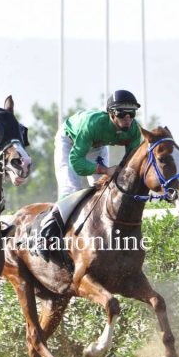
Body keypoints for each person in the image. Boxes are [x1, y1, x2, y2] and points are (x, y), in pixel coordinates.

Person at [36, 90, 143, 259]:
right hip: (70, 141)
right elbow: (77, 163)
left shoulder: (133, 130)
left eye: (132, 113)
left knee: (106, 188)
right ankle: (45, 234)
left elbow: (130, 163)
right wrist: (107, 170)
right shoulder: (93, 124)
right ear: (111, 114)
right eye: (122, 113)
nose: (128, 118)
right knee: (71, 189)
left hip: (97, 145)